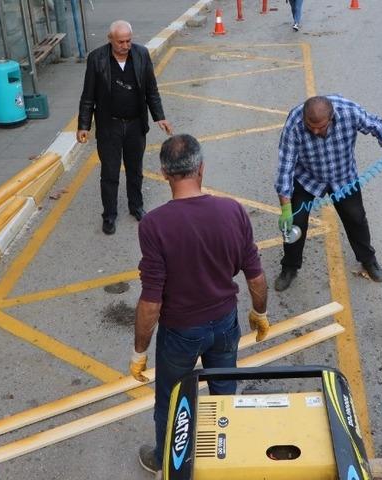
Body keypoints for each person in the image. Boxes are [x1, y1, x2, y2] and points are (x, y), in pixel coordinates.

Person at [129, 134, 269, 477]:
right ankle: (227, 457)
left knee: (173, 400)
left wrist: (139, 352)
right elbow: (255, 276)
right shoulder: (233, 210)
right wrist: (259, 313)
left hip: (180, 333)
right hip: (224, 323)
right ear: (201, 168)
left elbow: (151, 301)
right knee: (224, 391)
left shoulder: (154, 225)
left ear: (164, 173)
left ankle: (166, 459)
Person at [274, 95, 382, 291]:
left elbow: (375, 124)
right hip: (307, 178)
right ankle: (289, 267)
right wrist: (286, 208)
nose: (314, 130)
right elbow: (285, 167)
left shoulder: (349, 111)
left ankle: (368, 260)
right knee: (295, 224)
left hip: (343, 176)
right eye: (310, 125)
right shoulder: (295, 124)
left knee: (356, 218)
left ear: (332, 118)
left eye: (320, 126)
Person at [77, 20, 173, 235]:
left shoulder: (141, 55)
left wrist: (160, 117)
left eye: (129, 40)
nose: (125, 45)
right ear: (110, 40)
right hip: (109, 126)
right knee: (110, 173)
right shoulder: (97, 59)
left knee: (135, 170)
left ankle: (136, 207)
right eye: (120, 41)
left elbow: (151, 90)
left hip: (135, 125)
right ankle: (109, 215)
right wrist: (83, 125)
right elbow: (88, 96)